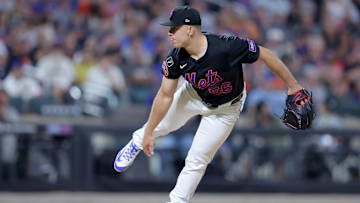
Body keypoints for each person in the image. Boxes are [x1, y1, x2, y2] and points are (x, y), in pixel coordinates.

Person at [114, 5, 305, 203]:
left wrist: (293, 85)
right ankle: (136, 141)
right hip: (192, 96)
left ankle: (177, 201)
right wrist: (148, 134)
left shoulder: (227, 46)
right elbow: (164, 95)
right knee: (158, 127)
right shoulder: (175, 58)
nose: (170, 33)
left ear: (189, 29)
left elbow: (266, 55)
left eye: (174, 28)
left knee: (198, 159)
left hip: (226, 109)